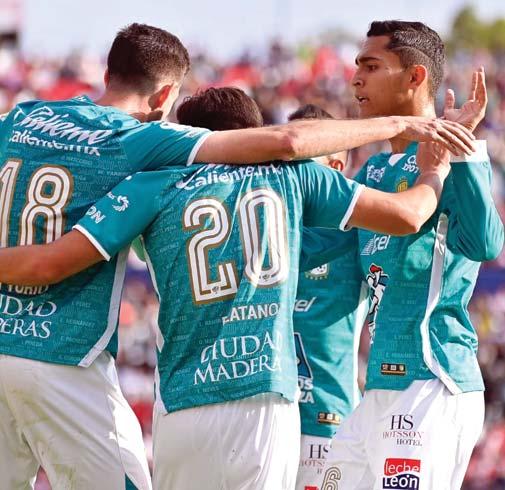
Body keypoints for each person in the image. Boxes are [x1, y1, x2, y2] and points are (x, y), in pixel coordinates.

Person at [0, 20, 476, 489]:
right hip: (263, 399)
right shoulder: (293, 177)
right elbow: (405, 213)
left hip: (182, 403)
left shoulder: (145, 183)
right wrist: (435, 167)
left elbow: (52, 260)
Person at [315, 21, 504, 490]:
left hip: (432, 379)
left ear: (415, 77)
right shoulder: (373, 170)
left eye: (371, 66)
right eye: (356, 66)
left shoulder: (448, 160)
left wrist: (462, 151)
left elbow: (486, 244)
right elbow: (326, 251)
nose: (355, 79)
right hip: (379, 387)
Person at [288, 104, 368, 490]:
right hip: (263, 419)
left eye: (301, 159)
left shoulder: (358, 236)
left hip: (328, 424)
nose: (289, 170)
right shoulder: (261, 227)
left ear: (335, 167)